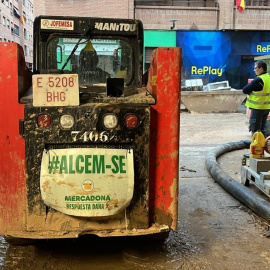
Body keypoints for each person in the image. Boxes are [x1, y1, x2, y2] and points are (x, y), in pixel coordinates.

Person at [243, 60, 270, 136]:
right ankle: (263, 146)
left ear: (261, 69)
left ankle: (257, 147)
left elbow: (245, 90)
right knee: (262, 129)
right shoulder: (268, 78)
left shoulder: (259, 80)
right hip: (266, 108)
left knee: (255, 131)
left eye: (255, 68)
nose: (254, 70)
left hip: (257, 108)